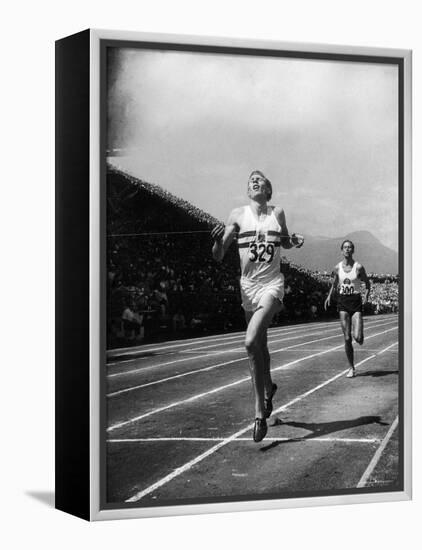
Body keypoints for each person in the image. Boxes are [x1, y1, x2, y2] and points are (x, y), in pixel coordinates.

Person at [211, 170, 304, 442]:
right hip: (248, 287)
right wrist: (218, 241)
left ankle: (259, 412)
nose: (253, 182)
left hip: (272, 285)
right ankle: (268, 388)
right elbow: (218, 256)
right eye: (250, 180)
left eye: (259, 179)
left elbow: (284, 241)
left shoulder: (279, 213)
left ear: (268, 189)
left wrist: (293, 242)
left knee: (251, 342)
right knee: (261, 346)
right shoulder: (237, 215)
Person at [324, 240, 370, 378]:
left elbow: (367, 284)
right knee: (347, 338)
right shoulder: (337, 268)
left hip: (355, 302)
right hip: (343, 302)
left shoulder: (359, 267)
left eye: (350, 247)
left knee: (358, 337)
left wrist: (366, 296)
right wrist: (328, 297)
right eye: (345, 247)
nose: (347, 249)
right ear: (341, 250)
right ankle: (351, 368)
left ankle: (360, 334)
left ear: (353, 250)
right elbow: (334, 283)